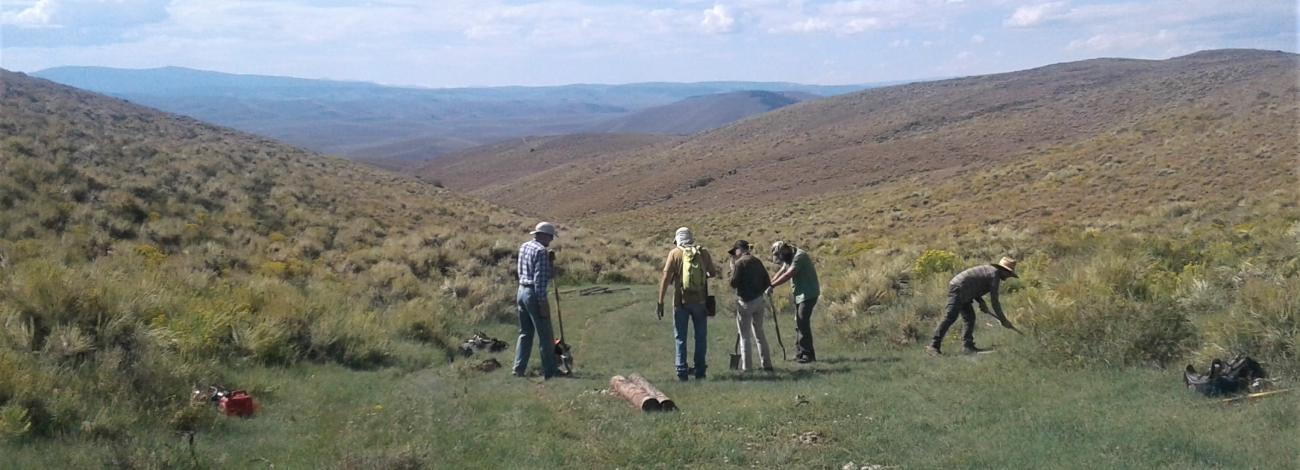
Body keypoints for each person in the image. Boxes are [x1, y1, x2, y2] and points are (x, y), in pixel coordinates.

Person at [657, 227, 719, 381]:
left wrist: (661, 301)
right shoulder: (702, 252)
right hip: (700, 301)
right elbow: (713, 273)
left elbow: (665, 278)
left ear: (677, 239)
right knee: (700, 337)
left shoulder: (674, 253)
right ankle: (700, 371)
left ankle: (681, 371)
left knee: (680, 337)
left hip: (680, 302)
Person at [927, 257, 1021, 356]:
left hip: (966, 290)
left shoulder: (991, 272)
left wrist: (981, 302)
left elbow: (975, 285)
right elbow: (995, 301)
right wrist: (1003, 320)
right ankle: (933, 346)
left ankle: (968, 346)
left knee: (970, 318)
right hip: (959, 288)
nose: (1008, 277)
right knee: (950, 316)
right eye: (1009, 274)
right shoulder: (994, 274)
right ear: (1004, 270)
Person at [513, 222, 561, 379]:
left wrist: (549, 264)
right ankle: (550, 371)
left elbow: (527, 271)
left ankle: (518, 368)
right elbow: (539, 279)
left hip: (521, 291)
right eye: (550, 236)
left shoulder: (525, 246)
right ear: (543, 235)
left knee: (525, 333)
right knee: (545, 336)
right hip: (534, 294)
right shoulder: (541, 251)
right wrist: (542, 303)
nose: (551, 240)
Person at [768, 241, 820, 363]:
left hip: (808, 294)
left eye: (779, 255)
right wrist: (769, 283)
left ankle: (808, 355)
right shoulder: (789, 257)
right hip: (799, 295)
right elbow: (782, 271)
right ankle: (800, 353)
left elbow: (788, 275)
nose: (780, 258)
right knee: (799, 323)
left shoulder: (799, 257)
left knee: (802, 321)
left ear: (784, 251)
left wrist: (772, 286)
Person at [728, 240, 773, 372]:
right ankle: (767, 365)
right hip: (759, 301)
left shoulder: (739, 263)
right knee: (760, 334)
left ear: (739, 250)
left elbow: (733, 283)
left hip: (745, 302)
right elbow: (767, 281)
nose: (734, 255)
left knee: (745, 336)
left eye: (735, 252)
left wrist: (733, 267)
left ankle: (747, 368)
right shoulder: (757, 261)